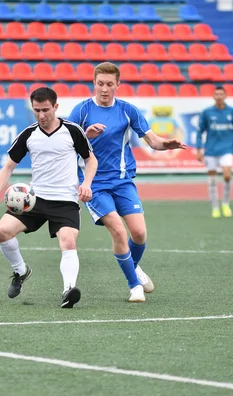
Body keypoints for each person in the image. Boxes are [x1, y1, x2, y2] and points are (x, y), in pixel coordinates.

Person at [67, 62, 187, 303]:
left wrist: (167, 145)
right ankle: (134, 287)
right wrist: (85, 134)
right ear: (94, 83)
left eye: (109, 84)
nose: (104, 89)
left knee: (140, 234)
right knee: (119, 232)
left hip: (122, 181)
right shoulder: (81, 111)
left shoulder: (127, 110)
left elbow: (153, 141)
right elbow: (66, 144)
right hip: (94, 184)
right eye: (100, 84)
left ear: (118, 85)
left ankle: (133, 266)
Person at [0, 87, 98, 308]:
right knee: (1, 232)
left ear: (55, 107)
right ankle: (20, 271)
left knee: (68, 241)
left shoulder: (72, 131)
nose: (41, 115)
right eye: (37, 110)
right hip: (34, 200)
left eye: (46, 109)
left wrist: (86, 184)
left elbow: (91, 160)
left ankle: (68, 291)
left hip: (65, 200)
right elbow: (8, 167)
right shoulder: (29, 134)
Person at [195, 86, 233, 218]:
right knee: (212, 179)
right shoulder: (207, 112)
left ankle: (226, 203)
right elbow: (200, 131)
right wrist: (199, 148)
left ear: (225, 96)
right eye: (216, 94)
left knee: (227, 175)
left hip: (227, 149)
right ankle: (215, 207)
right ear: (213, 96)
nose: (219, 96)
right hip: (211, 150)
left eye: (221, 94)